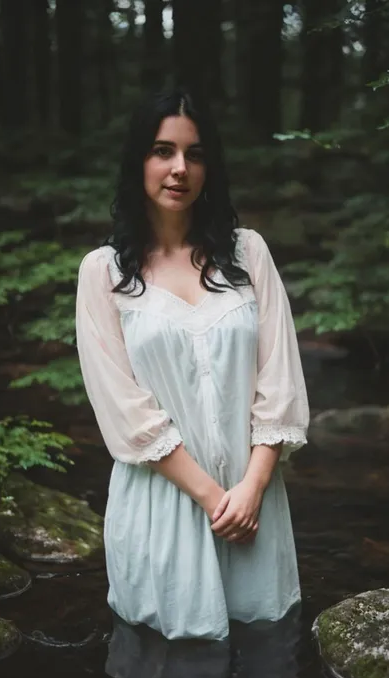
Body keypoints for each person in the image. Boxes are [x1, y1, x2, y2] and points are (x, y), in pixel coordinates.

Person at [75, 88, 309, 642]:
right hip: (164, 508)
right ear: (139, 161)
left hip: (255, 503)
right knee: (166, 673)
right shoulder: (103, 273)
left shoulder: (249, 254)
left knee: (269, 664)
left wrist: (251, 489)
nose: (180, 168)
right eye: (163, 151)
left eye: (195, 153)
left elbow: (279, 379)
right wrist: (213, 498)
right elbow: (123, 409)